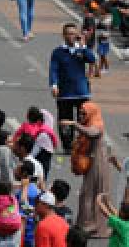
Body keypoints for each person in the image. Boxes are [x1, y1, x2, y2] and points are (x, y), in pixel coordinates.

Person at [62, 101, 112, 238]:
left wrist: (73, 124)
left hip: (98, 163)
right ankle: (86, 223)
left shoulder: (97, 124)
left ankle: (92, 225)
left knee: (91, 194)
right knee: (87, 193)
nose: (81, 115)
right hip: (93, 161)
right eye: (80, 113)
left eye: (84, 113)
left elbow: (91, 132)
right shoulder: (88, 123)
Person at [49, 22, 96, 147]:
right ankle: (67, 144)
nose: (71, 36)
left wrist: (83, 46)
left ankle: (84, 143)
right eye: (69, 34)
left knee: (85, 120)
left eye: (74, 34)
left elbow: (92, 59)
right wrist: (54, 85)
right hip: (65, 93)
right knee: (65, 120)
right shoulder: (58, 52)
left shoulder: (81, 49)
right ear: (63, 35)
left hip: (82, 92)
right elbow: (53, 69)